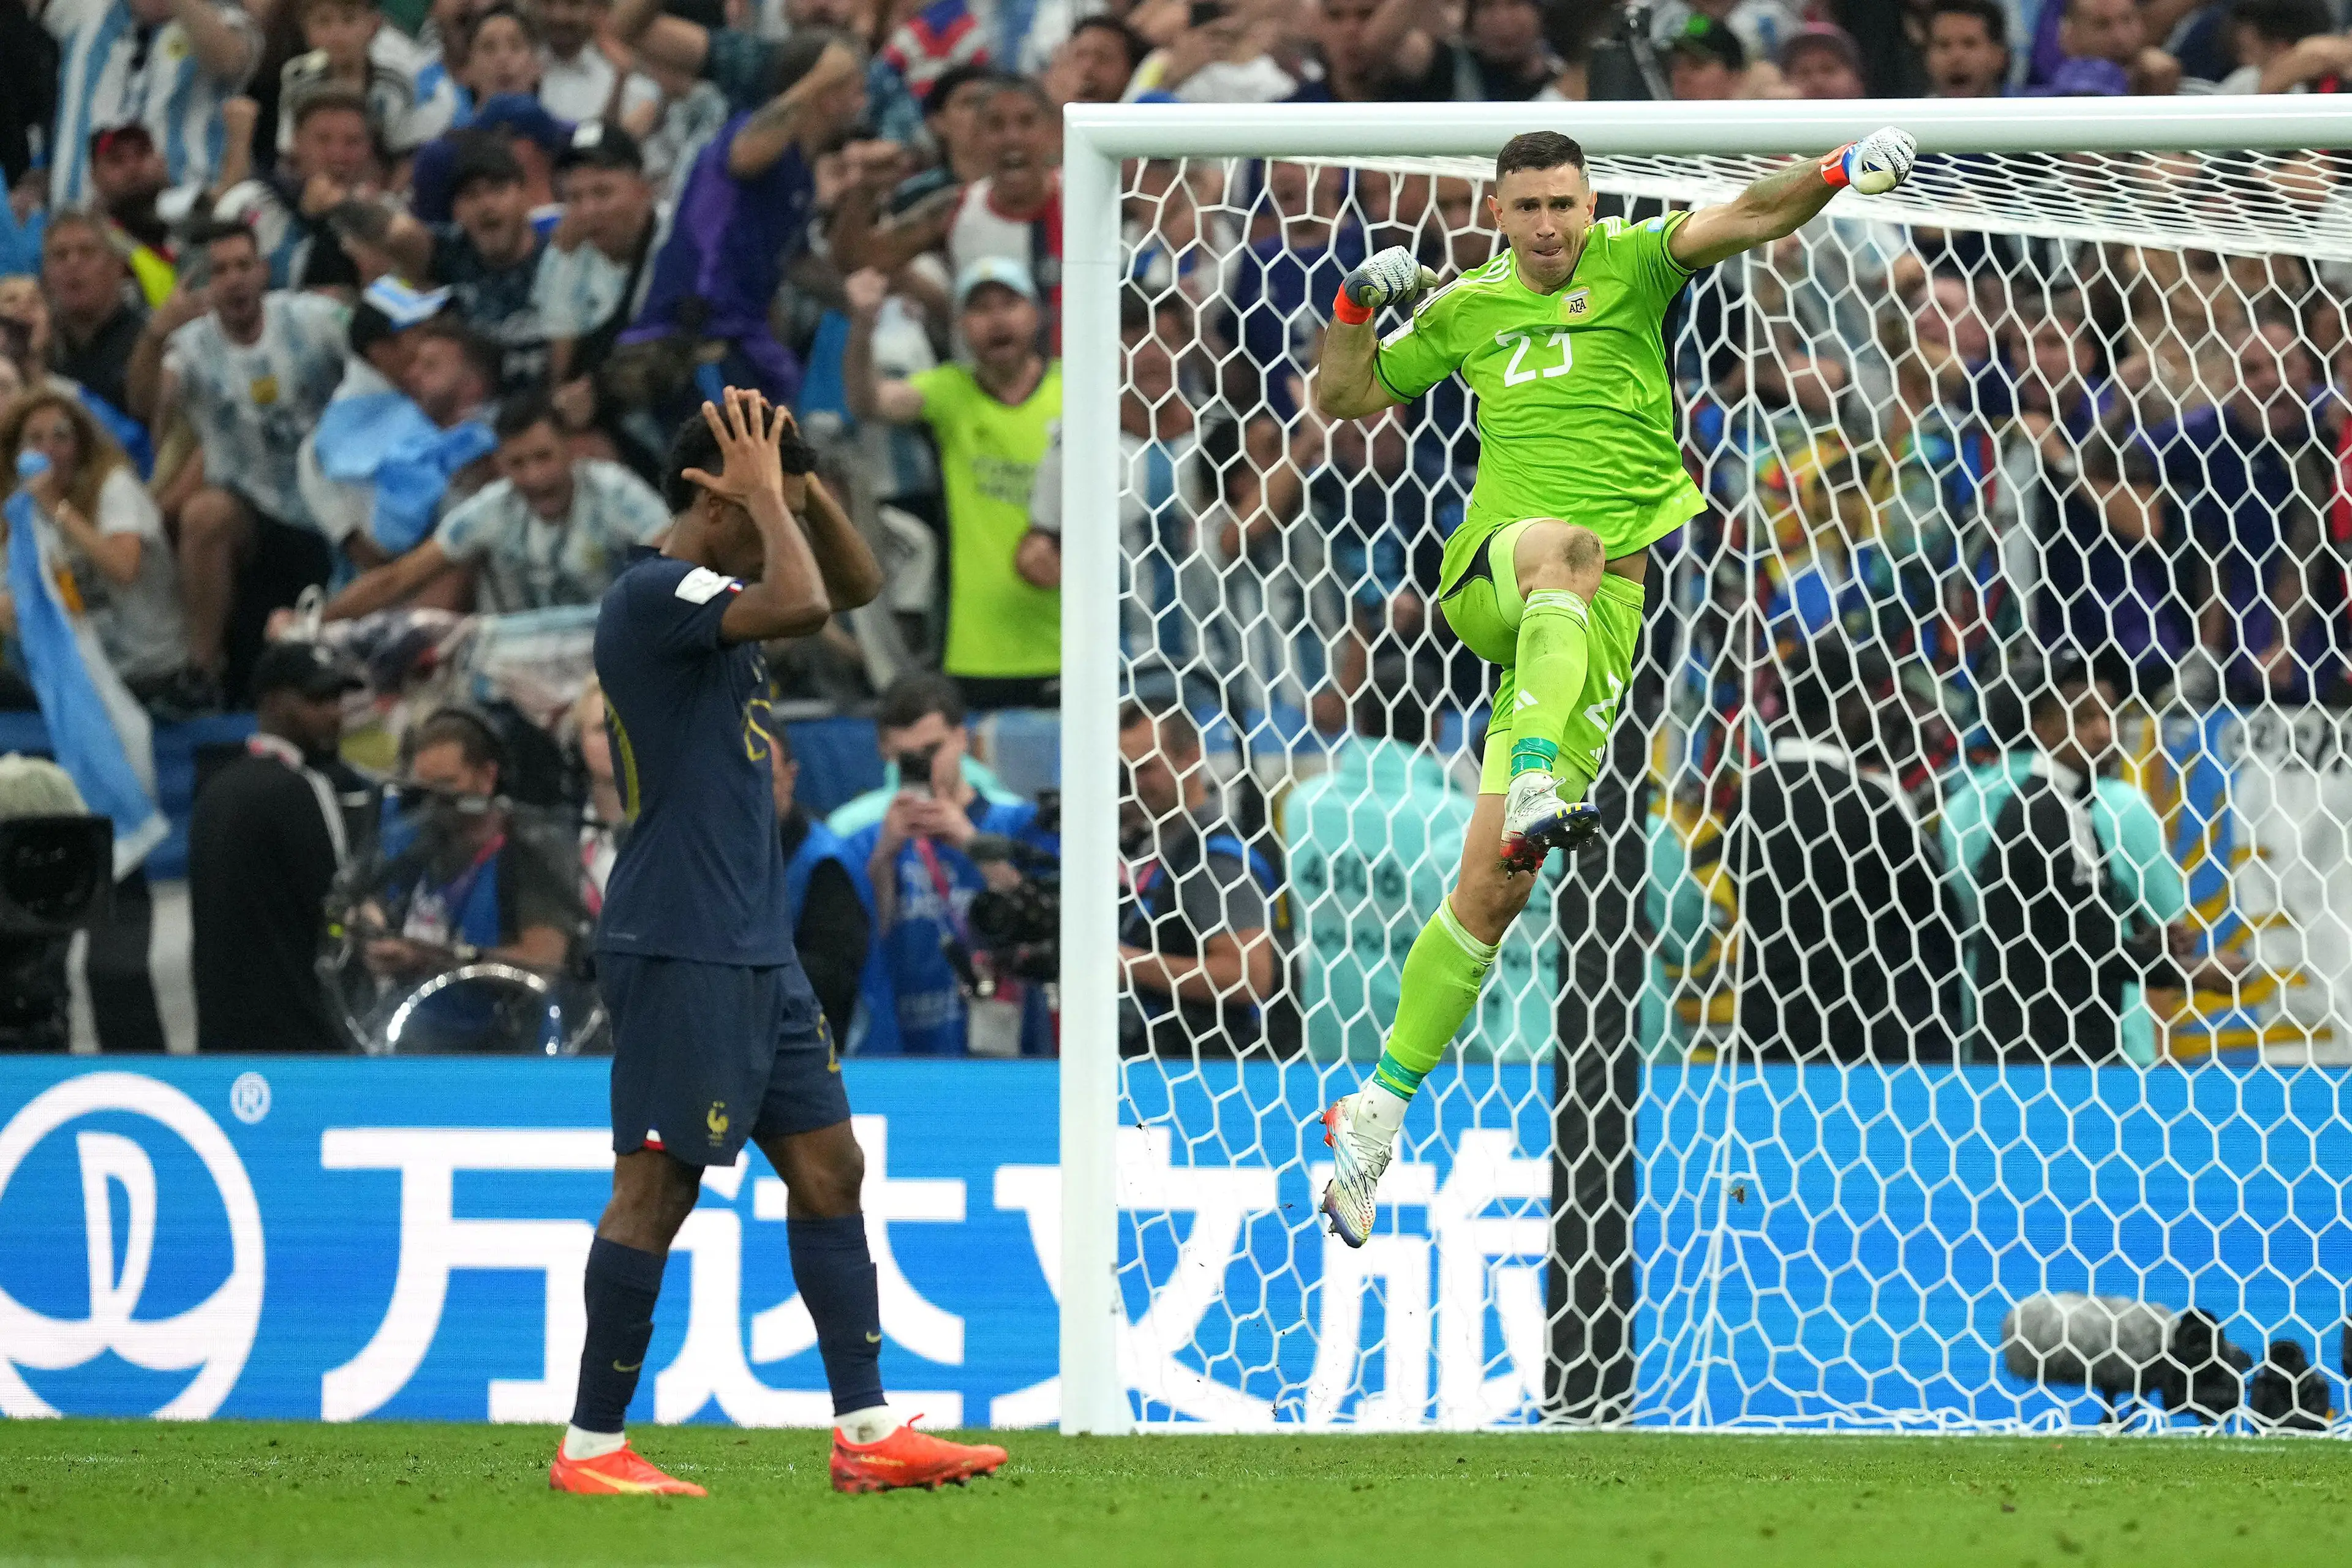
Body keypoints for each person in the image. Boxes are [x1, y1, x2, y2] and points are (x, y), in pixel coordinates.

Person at [1304, 123, 1921, 1246]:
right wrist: (1353, 307)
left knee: (1494, 890)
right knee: (1566, 552)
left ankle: (1377, 1110)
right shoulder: (1463, 308)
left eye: (1565, 205)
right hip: (1498, 568)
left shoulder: (1636, 263)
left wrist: (1836, 172)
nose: (1549, 225)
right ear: (1497, 212)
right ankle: (1539, 771)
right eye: (1528, 206)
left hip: (1600, 617)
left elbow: (1748, 210)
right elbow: (1341, 401)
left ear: (1591, 207)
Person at [555, 386, 981, 1495]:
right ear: (706, 494)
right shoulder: (653, 593)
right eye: (756, 501)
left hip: (755, 943)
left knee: (832, 1167)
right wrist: (760, 494)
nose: (776, 518)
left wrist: (801, 486)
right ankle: (592, 1446)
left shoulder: (721, 584)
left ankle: (868, 1432)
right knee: (659, 1187)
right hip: (679, 935)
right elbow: (803, 604)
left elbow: (855, 586)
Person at [128, 221, 347, 700]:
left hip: (337, 497)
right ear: (208, 283)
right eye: (220, 270)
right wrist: (153, 335)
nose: (233, 280)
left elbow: (378, 351)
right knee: (204, 513)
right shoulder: (190, 346)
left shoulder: (316, 319)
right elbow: (146, 403)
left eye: (243, 266)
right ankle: (201, 674)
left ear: (264, 271)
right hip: (255, 508)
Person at [1726, 640, 1962, 1062]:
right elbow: (1938, 916)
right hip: (1855, 1047)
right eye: (1870, 696)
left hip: (1762, 1040)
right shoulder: (1869, 803)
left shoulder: (1746, 800)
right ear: (1848, 706)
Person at [843, 258, 1061, 711]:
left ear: (1036, 315)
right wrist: (864, 325)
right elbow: (870, 402)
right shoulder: (951, 392)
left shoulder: (1076, 390)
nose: (996, 320)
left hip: (1071, 645)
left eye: (1009, 303)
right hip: (978, 651)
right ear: (961, 325)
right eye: (980, 309)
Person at [837, 671, 1055, 1058]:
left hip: (1008, 1042)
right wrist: (884, 858)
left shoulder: (1015, 824)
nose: (924, 765)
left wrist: (973, 844)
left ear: (962, 739)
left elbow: (1044, 923)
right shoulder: (865, 842)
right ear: (885, 750)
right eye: (908, 757)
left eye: (933, 749)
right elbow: (862, 944)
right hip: (902, 1048)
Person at [322, 392, 670, 617]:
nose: (534, 477)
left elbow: (677, 556)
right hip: (517, 667)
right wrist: (316, 621)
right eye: (517, 464)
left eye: (543, 457)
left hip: (616, 653)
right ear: (501, 464)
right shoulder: (491, 509)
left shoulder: (616, 492)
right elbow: (397, 579)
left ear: (570, 449)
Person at [358, 706, 582, 1049]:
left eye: (449, 785)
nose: (436, 802)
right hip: (416, 1043)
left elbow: (542, 964)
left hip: (507, 1053)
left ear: (489, 776)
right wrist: (369, 925)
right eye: (425, 789)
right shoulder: (416, 841)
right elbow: (366, 903)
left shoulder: (533, 850)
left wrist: (428, 958)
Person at [187, 640, 365, 1051]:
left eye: (338, 698)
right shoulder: (306, 790)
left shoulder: (214, 791)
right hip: (300, 1045)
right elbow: (335, 918)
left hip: (221, 1043)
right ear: (271, 702)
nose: (334, 713)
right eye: (317, 699)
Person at [0, 390, 189, 703]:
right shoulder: (20, 509)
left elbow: (124, 568)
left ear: (81, 445)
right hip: (78, 669)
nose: (48, 450)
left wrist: (58, 509)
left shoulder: (115, 488)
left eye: (61, 437)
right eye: (35, 440)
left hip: (144, 667)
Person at [1117, 701, 1276, 1057]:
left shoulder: (1214, 859)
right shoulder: (1156, 845)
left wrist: (1128, 964)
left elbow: (1249, 976)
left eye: (1145, 769)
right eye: (1126, 771)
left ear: (1191, 757)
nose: (1134, 784)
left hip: (1206, 1069)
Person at [44, 0, 260, 210]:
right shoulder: (82, 12)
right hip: (80, 225)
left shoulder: (227, 22)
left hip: (182, 221)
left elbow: (229, 59)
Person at [770, 723, 869, 1047]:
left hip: (810, 1048)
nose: (751, 794)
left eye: (766, 781)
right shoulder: (699, 856)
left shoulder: (826, 861)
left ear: (791, 776)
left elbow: (833, 980)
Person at [40, 211, 145, 416]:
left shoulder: (145, 342)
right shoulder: (39, 347)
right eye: (60, 255)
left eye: (87, 252)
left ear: (117, 268)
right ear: (45, 274)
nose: (72, 264)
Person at [1924, 0, 2011, 99]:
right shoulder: (1909, 111)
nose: (1956, 56)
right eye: (1944, 45)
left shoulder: (2026, 109)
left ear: (1999, 56)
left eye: (1969, 44)